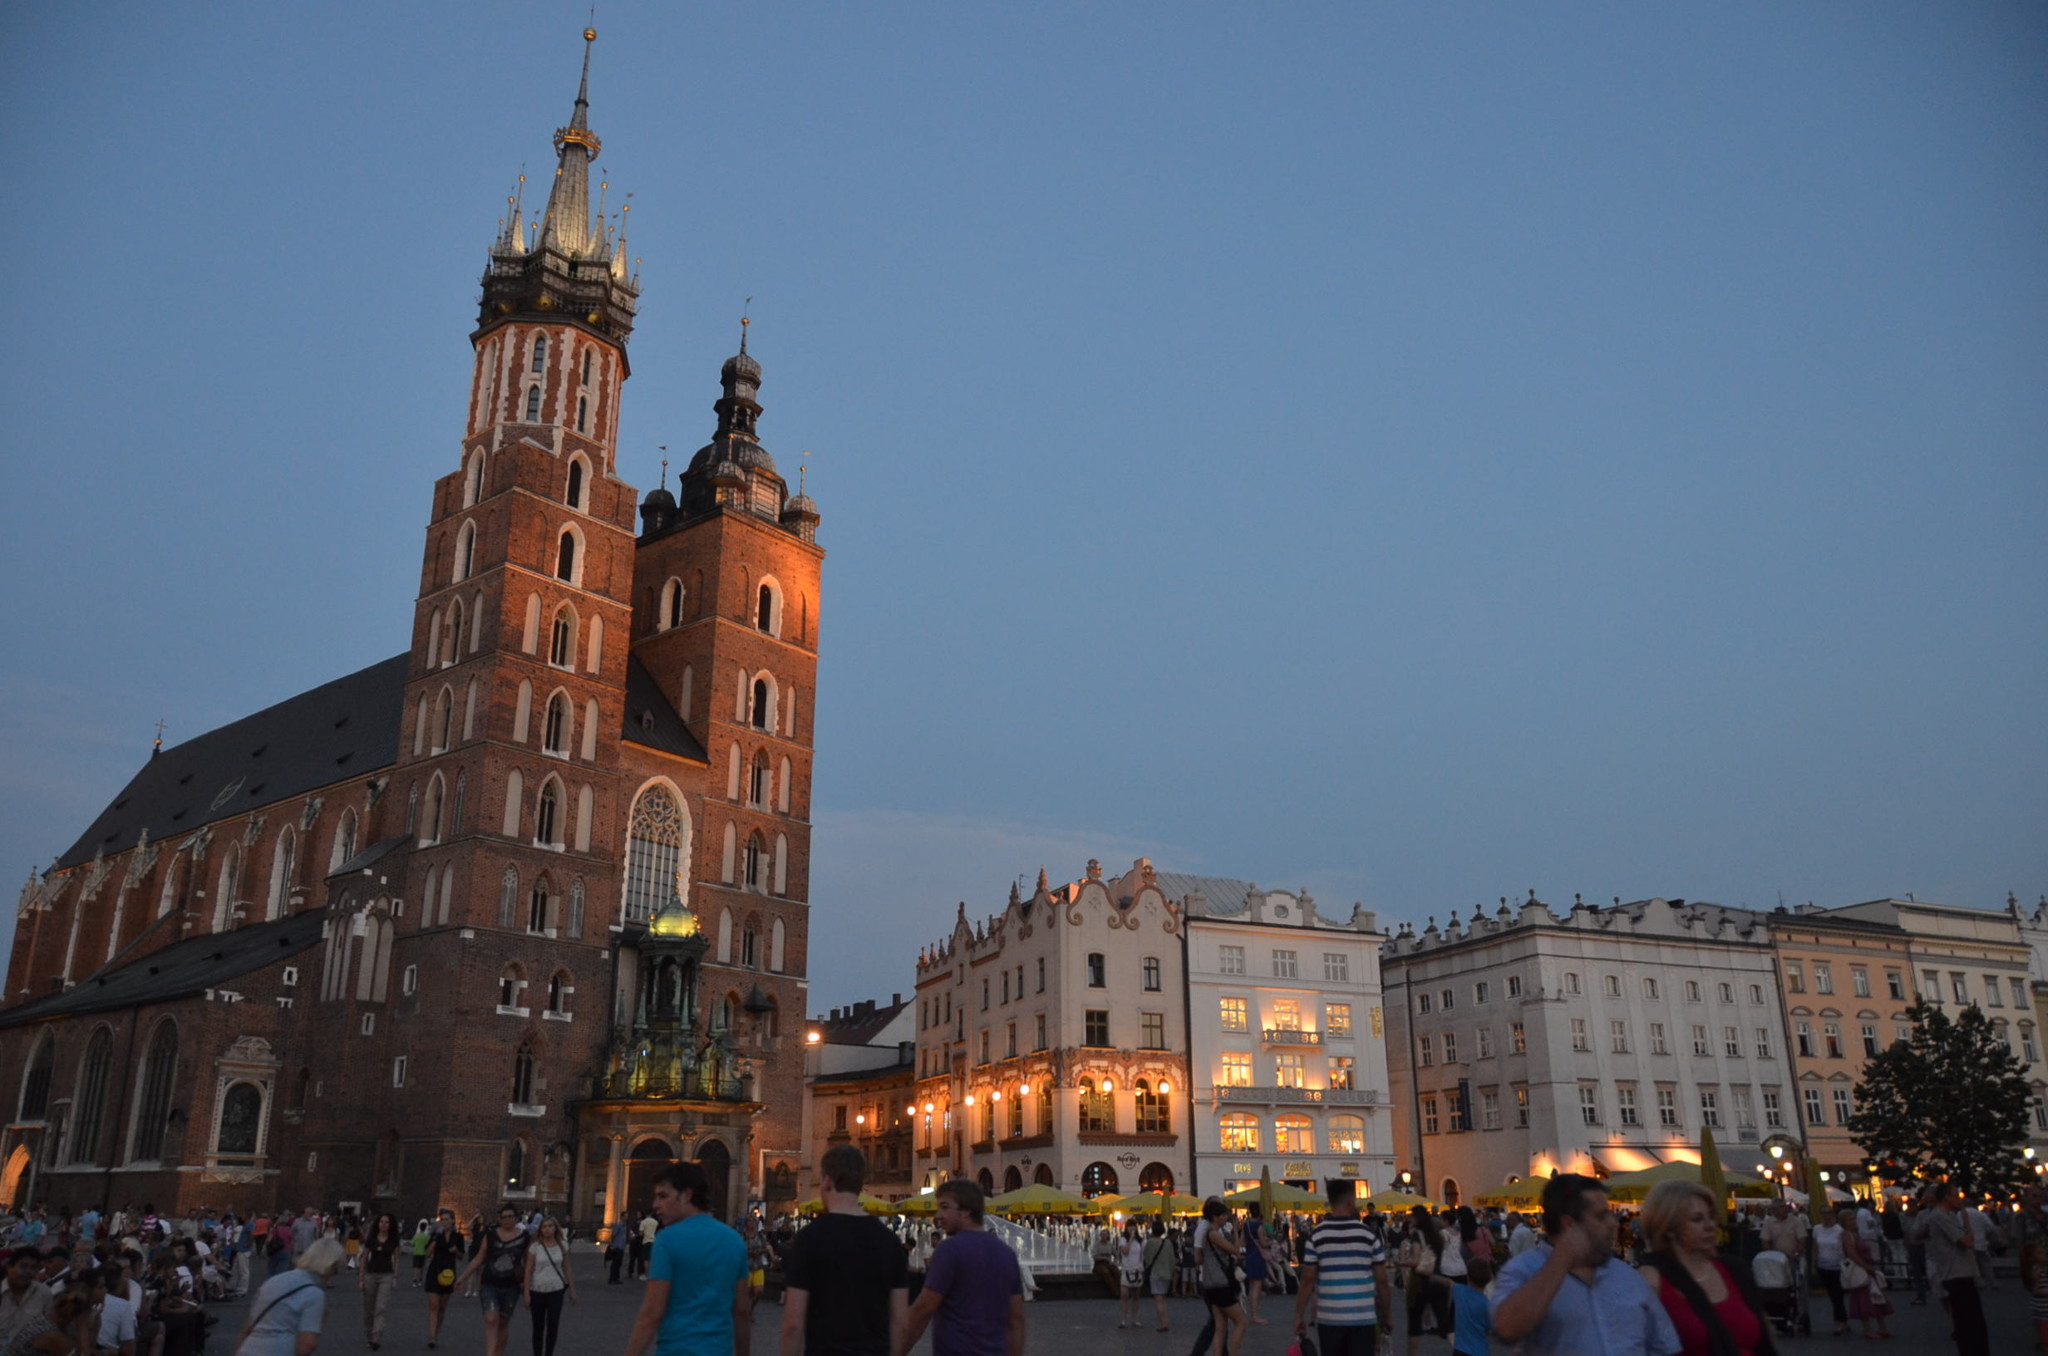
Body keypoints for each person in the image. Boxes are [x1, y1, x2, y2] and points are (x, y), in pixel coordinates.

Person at [1491, 1173, 1681, 1356]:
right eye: (1601, 1216)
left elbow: (1663, 1344)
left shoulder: (1627, 1276)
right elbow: (1507, 1328)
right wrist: (1561, 1261)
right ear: (1569, 1225)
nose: (1612, 1223)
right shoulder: (1523, 1271)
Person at [781, 1144, 907, 1356]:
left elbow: (793, 1324)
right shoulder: (890, 1242)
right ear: (860, 1183)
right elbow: (901, 1323)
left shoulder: (810, 1238)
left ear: (828, 1180)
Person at [622, 1161, 749, 1356]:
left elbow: (652, 1312)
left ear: (686, 1195)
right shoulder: (734, 1240)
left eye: (663, 1196)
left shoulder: (667, 1240)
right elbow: (741, 1310)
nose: (655, 1205)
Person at [1634, 1181, 1772, 1356]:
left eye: (1711, 1217)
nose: (1710, 1226)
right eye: (1697, 1219)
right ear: (1669, 1228)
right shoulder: (1651, 1280)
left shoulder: (1735, 1270)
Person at [895, 1179, 1022, 1356]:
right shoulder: (1007, 1254)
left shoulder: (949, 1250)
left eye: (945, 1207)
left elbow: (923, 1309)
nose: (938, 1215)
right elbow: (1016, 1319)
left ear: (966, 1211)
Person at [1292, 1180, 1390, 1356]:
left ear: (1330, 1200)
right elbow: (1382, 1280)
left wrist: (1299, 1315)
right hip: (1363, 1316)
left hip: (1330, 1318)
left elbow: (1307, 1280)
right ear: (1351, 1201)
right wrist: (1387, 1314)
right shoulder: (1369, 1235)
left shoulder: (1317, 1235)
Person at [234, 1235, 346, 1356]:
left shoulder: (274, 1281)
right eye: (336, 1266)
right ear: (329, 1264)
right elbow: (307, 1344)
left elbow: (249, 1327)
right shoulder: (313, 1294)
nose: (335, 1272)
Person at [1910, 1182, 1987, 1356]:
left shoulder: (1946, 1215)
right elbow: (1967, 1242)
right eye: (1956, 1195)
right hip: (1955, 1273)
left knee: (1971, 1322)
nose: (1959, 1199)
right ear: (1946, 1197)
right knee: (1969, 1322)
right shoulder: (1940, 1216)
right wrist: (1966, 1219)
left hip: (1958, 1270)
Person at [458, 1206, 533, 1356]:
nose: (506, 1220)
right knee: (491, 1319)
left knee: (503, 1323)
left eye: (510, 1216)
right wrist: (462, 1277)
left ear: (516, 1218)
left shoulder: (524, 1237)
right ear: (499, 1219)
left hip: (511, 1285)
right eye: (503, 1217)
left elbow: (528, 1264)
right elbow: (478, 1258)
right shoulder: (490, 1235)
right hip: (490, 1283)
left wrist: (527, 1290)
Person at [1192, 1197, 1246, 1356]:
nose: (1225, 1217)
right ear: (1214, 1217)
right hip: (1220, 1283)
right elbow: (1235, 1250)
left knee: (1220, 1325)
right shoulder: (1213, 1234)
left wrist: (1236, 1230)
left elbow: (1236, 1247)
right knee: (1241, 1322)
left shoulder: (1217, 1233)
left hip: (1212, 1284)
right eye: (1222, 1215)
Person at [1837, 1209, 1892, 1340]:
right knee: (1864, 1298)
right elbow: (1851, 1253)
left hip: (1868, 1266)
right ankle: (1868, 1329)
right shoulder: (1847, 1235)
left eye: (1853, 1218)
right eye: (1850, 1219)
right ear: (1844, 1222)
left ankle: (1882, 1327)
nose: (1853, 1221)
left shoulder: (1856, 1234)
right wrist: (1866, 1267)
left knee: (1876, 1296)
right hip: (1861, 1268)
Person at [523, 1215, 575, 1356]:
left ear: (555, 1228)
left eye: (550, 1226)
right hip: (537, 1289)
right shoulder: (535, 1247)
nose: (547, 1229)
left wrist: (572, 1290)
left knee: (553, 1324)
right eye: (544, 1227)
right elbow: (528, 1270)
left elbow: (567, 1268)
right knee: (538, 1326)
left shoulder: (563, 1246)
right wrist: (526, 1293)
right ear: (541, 1229)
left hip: (556, 1289)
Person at [421, 1211, 467, 1349]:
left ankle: (436, 1332)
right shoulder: (436, 1236)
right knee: (433, 1305)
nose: (445, 1222)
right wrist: (434, 1241)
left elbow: (461, 1256)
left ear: (453, 1221)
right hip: (434, 1271)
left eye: (447, 1219)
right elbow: (427, 1254)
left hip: (449, 1274)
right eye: (443, 1220)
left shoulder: (458, 1237)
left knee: (442, 1307)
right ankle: (432, 1337)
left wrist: (455, 1251)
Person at [356, 1212, 402, 1350]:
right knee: (369, 1309)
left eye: (387, 1222)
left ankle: (376, 1337)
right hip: (371, 1274)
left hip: (386, 1275)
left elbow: (396, 1259)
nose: (384, 1224)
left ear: (390, 1225)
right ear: (378, 1223)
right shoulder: (371, 1239)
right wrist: (361, 1278)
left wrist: (395, 1277)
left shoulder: (394, 1240)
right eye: (382, 1221)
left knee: (380, 1308)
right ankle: (369, 1335)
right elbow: (364, 1258)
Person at [0, 1250, 54, 1351]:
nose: (29, 1271)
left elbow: (50, 1327)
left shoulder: (43, 1293)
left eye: (34, 1268)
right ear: (9, 1267)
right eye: (23, 1266)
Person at [1811, 1206, 1849, 1336]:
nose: (1826, 1216)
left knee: (1837, 1295)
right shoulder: (1817, 1229)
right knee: (1833, 1296)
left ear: (1833, 1214)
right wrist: (1813, 1264)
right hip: (1823, 1266)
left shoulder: (1839, 1230)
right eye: (1823, 1213)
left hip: (1838, 1266)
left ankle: (1839, 1323)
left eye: (1829, 1213)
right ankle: (1843, 1320)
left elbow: (1845, 1248)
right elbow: (1815, 1247)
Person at [1141, 1221, 1177, 1333]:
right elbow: (1172, 1260)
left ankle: (1163, 1324)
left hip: (1156, 1273)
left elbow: (1146, 1258)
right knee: (1163, 1298)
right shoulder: (1168, 1243)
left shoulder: (1150, 1242)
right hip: (1166, 1273)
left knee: (1158, 1299)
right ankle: (1165, 1322)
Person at [1239, 1206, 1271, 1325]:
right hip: (1258, 1257)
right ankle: (1255, 1315)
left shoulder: (1246, 1225)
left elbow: (1242, 1241)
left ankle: (1251, 1313)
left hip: (1249, 1256)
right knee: (1257, 1287)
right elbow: (1263, 1243)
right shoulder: (1259, 1227)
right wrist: (1268, 1241)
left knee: (1252, 1287)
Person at [1118, 1223, 1147, 1329]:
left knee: (1136, 1296)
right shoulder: (1123, 1239)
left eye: (1133, 1227)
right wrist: (1130, 1239)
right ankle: (1123, 1320)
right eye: (1130, 1227)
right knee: (1124, 1295)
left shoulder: (1141, 1241)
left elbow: (1145, 1254)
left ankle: (1135, 1319)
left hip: (1137, 1269)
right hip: (1126, 1269)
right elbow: (1125, 1252)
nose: (1132, 1229)